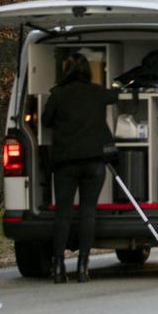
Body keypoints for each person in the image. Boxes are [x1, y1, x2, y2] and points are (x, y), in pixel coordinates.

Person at [41, 53, 119, 283]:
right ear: (88, 71)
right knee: (88, 213)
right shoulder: (97, 92)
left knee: (63, 215)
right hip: (94, 162)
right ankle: (83, 267)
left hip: (65, 162)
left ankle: (58, 267)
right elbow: (114, 96)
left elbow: (46, 121)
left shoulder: (58, 94)